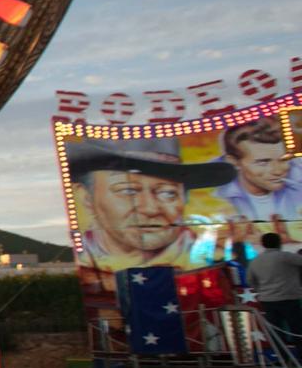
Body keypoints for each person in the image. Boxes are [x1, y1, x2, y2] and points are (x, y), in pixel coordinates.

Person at [68, 142, 231, 274]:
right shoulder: (85, 265)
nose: (151, 209)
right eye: (129, 191)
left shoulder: (215, 261)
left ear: (184, 197)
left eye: (168, 193)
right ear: (86, 197)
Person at [216, 121, 302, 225]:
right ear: (233, 162)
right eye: (263, 162)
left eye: (284, 160)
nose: (278, 171)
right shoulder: (215, 197)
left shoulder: (298, 186)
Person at [247, 232, 302, 350]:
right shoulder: (286, 257)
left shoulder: (255, 261)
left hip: (267, 301)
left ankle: (282, 358)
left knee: (276, 332)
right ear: (279, 243)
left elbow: (250, 281)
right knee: (297, 329)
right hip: (289, 299)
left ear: (263, 244)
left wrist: (262, 291)